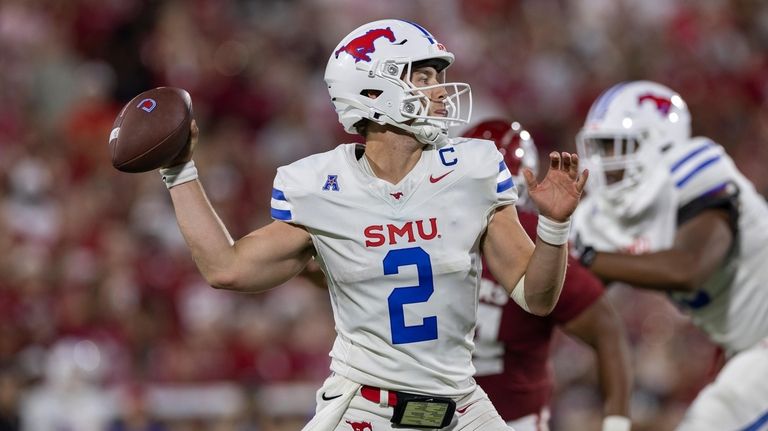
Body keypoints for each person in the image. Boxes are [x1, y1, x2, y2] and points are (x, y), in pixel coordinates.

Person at [155, 19, 588, 430]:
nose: (439, 92)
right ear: (373, 88)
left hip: (461, 406)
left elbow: (536, 296)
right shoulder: (322, 186)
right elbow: (226, 268)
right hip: (366, 408)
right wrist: (179, 172)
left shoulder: (472, 170)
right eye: (423, 78)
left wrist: (553, 228)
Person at [570, 80, 768, 431]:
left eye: (616, 146)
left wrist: (586, 257)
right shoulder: (600, 219)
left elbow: (688, 269)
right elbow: (569, 292)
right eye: (598, 147)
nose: (603, 162)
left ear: (659, 143)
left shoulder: (698, 170)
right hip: (748, 347)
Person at [463, 120, 632, 431]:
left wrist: (616, 424)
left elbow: (605, 328)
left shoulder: (530, 235)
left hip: (510, 418)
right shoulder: (435, 231)